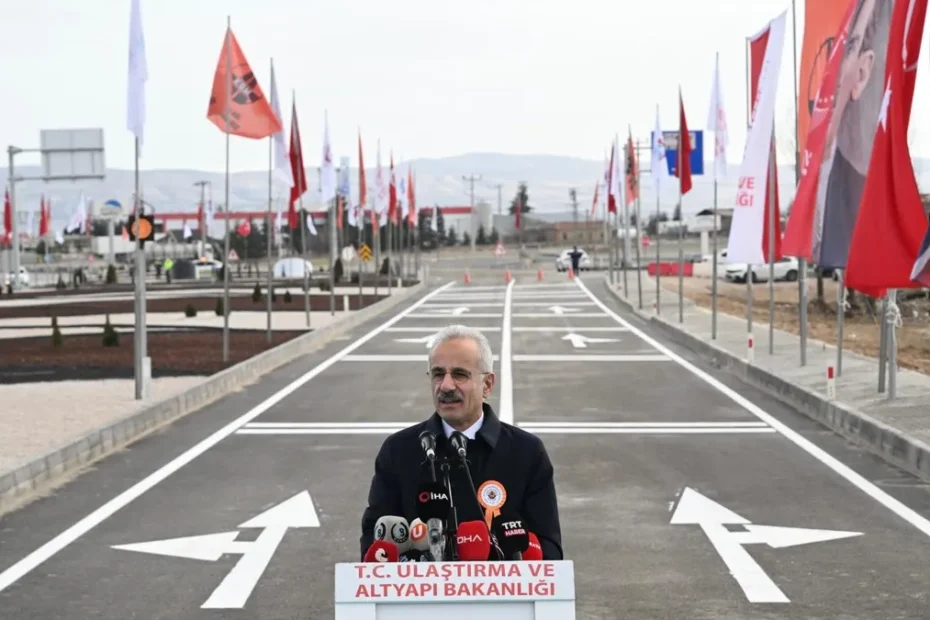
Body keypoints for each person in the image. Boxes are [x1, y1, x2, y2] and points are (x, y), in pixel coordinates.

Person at [359, 324, 563, 560]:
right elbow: (374, 544)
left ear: (487, 384)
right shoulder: (398, 451)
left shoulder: (526, 452)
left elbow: (549, 551)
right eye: (437, 374)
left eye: (459, 374)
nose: (445, 386)